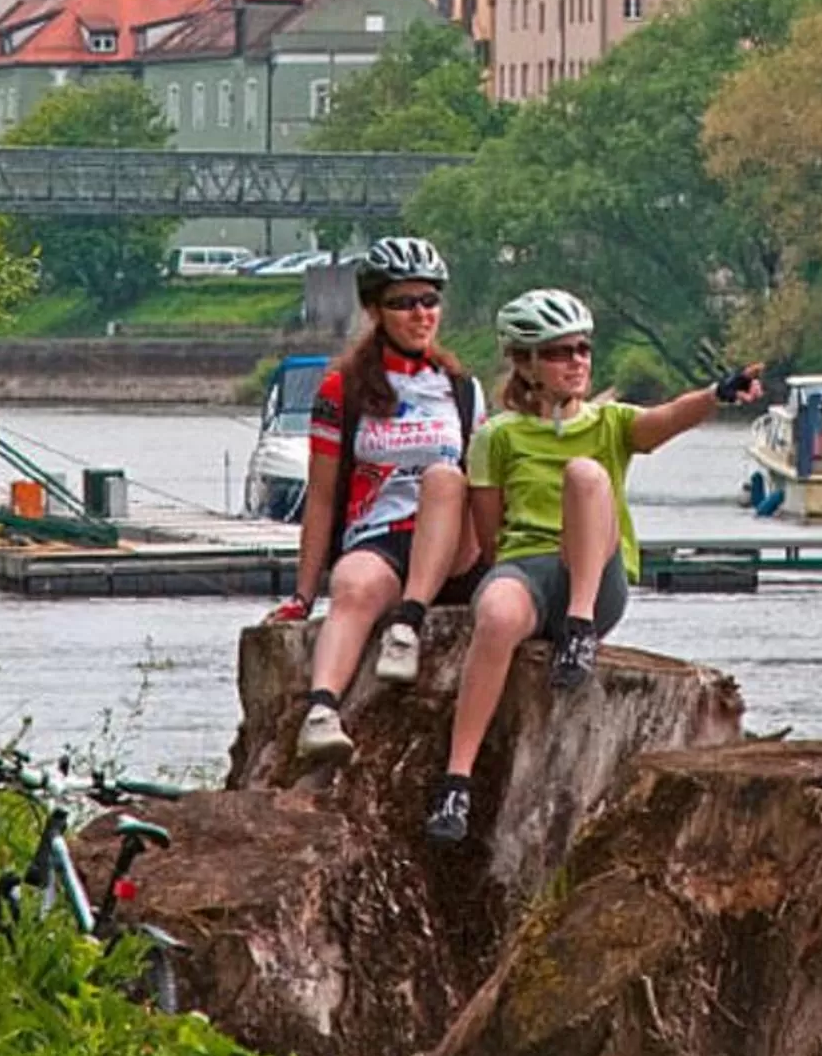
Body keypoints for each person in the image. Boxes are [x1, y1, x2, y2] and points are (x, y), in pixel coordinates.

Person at [424, 288, 758, 846]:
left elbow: (667, 418)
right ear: (526, 362)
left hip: (595, 583)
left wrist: (718, 393)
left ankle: (578, 629)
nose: (577, 361)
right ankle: (457, 781)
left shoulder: (610, 424)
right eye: (560, 352)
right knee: (497, 615)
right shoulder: (496, 437)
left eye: (583, 349)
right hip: (528, 570)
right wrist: (501, 585)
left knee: (586, 475)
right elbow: (492, 536)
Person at [282, 234, 481, 768]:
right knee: (352, 586)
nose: (421, 314)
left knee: (445, 477)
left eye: (430, 300)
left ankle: (407, 623)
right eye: (403, 303)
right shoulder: (342, 388)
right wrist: (302, 596)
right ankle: (322, 712)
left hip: (453, 542)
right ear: (374, 310)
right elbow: (322, 497)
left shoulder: (462, 389)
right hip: (382, 536)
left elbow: (486, 486)